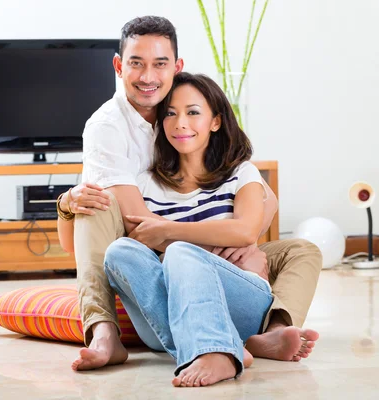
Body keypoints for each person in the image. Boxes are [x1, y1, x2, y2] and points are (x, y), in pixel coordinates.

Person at [56, 16, 322, 372]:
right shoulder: (111, 132)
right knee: (109, 222)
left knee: (301, 249)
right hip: (160, 255)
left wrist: (249, 239)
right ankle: (111, 331)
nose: (148, 77)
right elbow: (139, 229)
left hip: (219, 264)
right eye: (136, 63)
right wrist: (66, 206)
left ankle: (273, 330)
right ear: (119, 66)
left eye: (160, 64)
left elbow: (255, 202)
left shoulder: (226, 156)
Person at [104, 71, 319, 387]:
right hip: (171, 309)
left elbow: (245, 232)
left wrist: (169, 232)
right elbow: (142, 241)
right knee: (119, 251)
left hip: (240, 298)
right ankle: (231, 345)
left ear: (215, 121)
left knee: (180, 252)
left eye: (193, 112)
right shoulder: (143, 184)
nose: (180, 123)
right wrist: (206, 242)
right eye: (170, 114)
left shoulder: (240, 173)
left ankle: (220, 349)